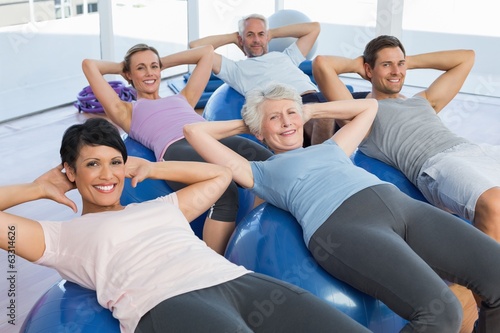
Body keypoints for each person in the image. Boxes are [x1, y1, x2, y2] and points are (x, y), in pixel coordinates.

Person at [0, 117, 373, 333]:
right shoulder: (59, 237)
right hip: (165, 305)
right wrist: (35, 188)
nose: (107, 174)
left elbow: (218, 177)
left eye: (115, 161)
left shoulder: (161, 207)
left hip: (234, 281)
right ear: (70, 171)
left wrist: (152, 167)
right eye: (92, 163)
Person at [183, 82, 500, 333]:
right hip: (342, 227)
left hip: (399, 205)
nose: (287, 122)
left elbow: (369, 107)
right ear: (259, 131)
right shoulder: (259, 171)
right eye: (275, 119)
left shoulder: (333, 147)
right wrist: (251, 120)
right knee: (441, 313)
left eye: (291, 113)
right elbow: (195, 131)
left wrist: (308, 110)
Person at [81, 44, 273, 255]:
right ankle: (216, 265)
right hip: (176, 148)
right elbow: (89, 65)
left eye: (154, 67)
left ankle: (256, 234)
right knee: (224, 191)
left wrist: (160, 63)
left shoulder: (184, 97)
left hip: (210, 139)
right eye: (141, 68)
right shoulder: (125, 110)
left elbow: (206, 52)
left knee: (269, 164)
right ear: (129, 74)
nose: (149, 73)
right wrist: (124, 66)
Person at [312, 35, 500, 243]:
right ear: (368, 70)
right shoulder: (362, 113)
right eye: (386, 65)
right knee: (494, 204)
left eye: (400, 65)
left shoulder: (423, 100)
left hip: (475, 150)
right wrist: (362, 65)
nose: (396, 72)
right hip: (438, 164)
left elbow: (466, 58)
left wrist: (403, 62)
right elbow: (322, 64)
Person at [189, 13, 333, 146]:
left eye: (261, 34)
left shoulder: (286, 56)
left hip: (323, 98)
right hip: (297, 107)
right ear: (241, 39)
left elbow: (314, 28)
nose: (257, 40)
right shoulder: (235, 70)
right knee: (325, 118)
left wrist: (272, 33)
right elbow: (195, 47)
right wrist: (234, 37)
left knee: (352, 107)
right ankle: (322, 166)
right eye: (250, 35)